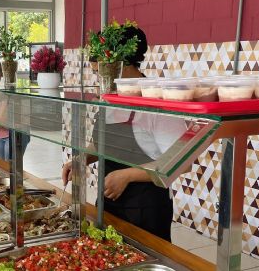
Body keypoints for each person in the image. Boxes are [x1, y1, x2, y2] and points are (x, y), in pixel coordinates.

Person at [62, 26, 180, 242]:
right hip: (108, 201)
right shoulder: (111, 97)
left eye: (101, 72)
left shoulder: (156, 101)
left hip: (146, 208)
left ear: (121, 63)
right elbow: (101, 144)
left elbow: (179, 161)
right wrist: (81, 159)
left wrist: (127, 176)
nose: (99, 79)